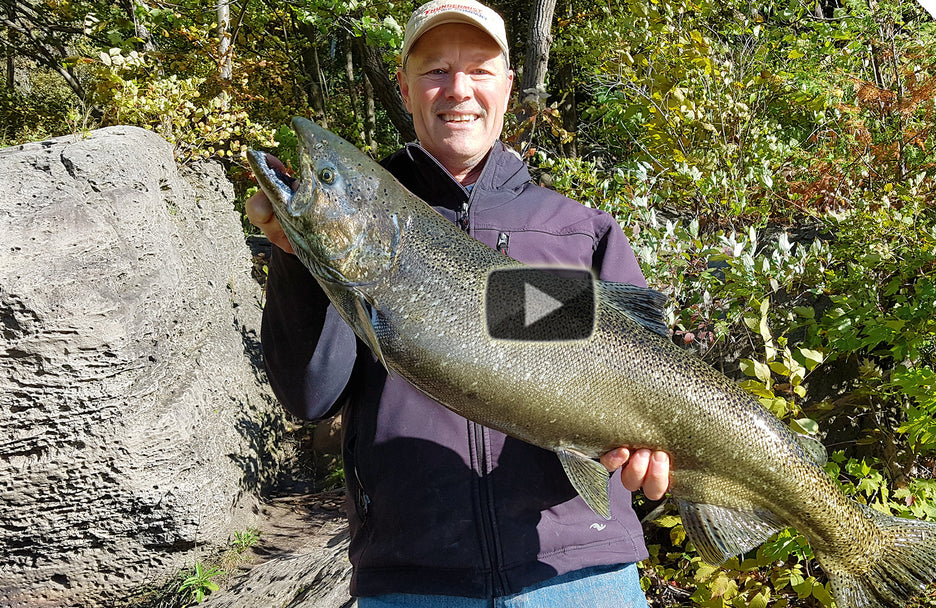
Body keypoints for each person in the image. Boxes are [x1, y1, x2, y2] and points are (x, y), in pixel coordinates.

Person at [245, 0, 671, 604]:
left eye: (479, 69)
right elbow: (313, 394)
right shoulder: (369, 226)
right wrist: (297, 257)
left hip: (579, 576)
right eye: (435, 70)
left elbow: (642, 365)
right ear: (406, 86)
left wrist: (647, 452)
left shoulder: (579, 232)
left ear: (507, 84)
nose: (458, 90)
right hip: (411, 580)